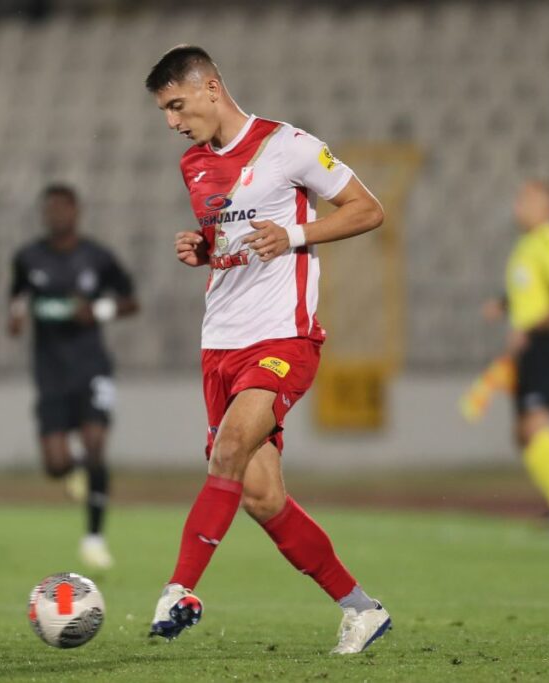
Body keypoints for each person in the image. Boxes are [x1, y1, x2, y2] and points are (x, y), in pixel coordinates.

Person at [144, 46, 390, 655]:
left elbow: (368, 209)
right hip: (219, 342)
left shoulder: (292, 146)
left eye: (176, 105)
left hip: (283, 336)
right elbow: (230, 237)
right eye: (164, 112)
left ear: (210, 87)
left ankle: (180, 591)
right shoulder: (194, 165)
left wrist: (297, 234)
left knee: (227, 449)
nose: (173, 121)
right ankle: (361, 609)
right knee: (260, 495)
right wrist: (204, 249)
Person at [8, 184, 139, 569]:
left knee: (96, 444)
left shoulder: (97, 258)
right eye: (49, 209)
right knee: (55, 465)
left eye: (62, 209)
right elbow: (17, 295)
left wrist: (98, 311)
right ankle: (76, 471)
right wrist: (15, 315)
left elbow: (131, 300)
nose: (55, 216)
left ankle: (94, 539)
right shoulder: (28, 258)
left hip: (91, 367)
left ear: (76, 212)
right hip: (50, 372)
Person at [482, 179, 549, 529]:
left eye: (527, 200)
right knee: (523, 432)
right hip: (530, 345)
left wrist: (529, 329)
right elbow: (533, 293)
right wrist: (505, 303)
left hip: (547, 341)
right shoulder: (525, 245)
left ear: (547, 207)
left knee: (536, 422)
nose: (518, 207)